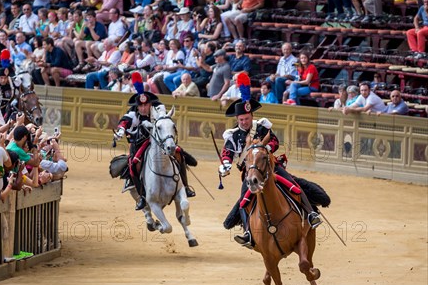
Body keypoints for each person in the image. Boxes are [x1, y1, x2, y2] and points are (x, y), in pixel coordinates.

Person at [219, 79, 324, 248]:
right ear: (237, 119)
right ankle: (248, 233)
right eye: (241, 120)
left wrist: (265, 149)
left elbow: (274, 141)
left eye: (246, 118)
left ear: (251, 116)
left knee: (293, 184)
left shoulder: (261, 127)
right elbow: (228, 152)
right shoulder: (233, 135)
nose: (244, 122)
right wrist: (225, 164)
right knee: (243, 200)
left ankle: (311, 214)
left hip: (271, 166)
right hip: (250, 172)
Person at [113, 73, 196, 211]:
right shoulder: (133, 112)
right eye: (141, 105)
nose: (143, 108)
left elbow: (165, 118)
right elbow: (125, 121)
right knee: (133, 164)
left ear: (150, 104)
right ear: (137, 106)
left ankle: (185, 187)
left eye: (146, 105)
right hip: (140, 143)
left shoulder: (158, 109)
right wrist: (121, 130)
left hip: (159, 141)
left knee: (179, 154)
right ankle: (142, 196)